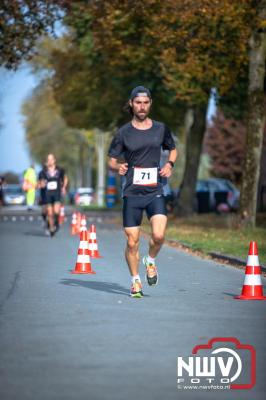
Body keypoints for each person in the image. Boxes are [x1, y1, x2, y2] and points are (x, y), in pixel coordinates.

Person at [108, 86, 178, 298]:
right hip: (131, 193)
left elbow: (172, 149)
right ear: (131, 104)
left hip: (155, 190)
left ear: (150, 104)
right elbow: (111, 159)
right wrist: (117, 167)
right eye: (138, 102)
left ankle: (151, 260)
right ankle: (135, 280)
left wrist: (170, 165)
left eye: (145, 102)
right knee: (132, 241)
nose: (142, 106)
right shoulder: (123, 133)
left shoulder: (160, 129)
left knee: (158, 235)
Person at [39, 154, 68, 237]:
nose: (50, 161)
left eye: (51, 159)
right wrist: (42, 184)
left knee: (56, 211)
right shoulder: (43, 171)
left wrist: (64, 187)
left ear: (54, 160)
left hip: (57, 193)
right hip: (47, 194)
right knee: (50, 213)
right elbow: (41, 182)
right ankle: (51, 228)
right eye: (48, 159)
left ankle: (56, 222)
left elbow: (65, 178)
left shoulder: (60, 170)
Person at [38, 163, 48, 232]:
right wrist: (43, 183)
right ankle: (44, 219)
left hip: (53, 193)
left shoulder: (55, 171)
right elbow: (41, 184)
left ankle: (51, 226)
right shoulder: (41, 173)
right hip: (44, 193)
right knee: (44, 209)